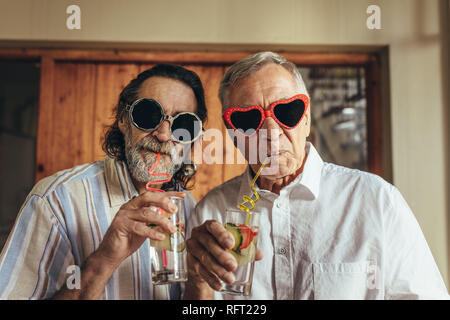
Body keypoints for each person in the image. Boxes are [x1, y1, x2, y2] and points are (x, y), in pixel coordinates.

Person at [184, 51, 449, 300]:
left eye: (286, 111)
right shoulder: (212, 214)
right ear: (233, 135)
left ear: (307, 118)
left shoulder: (376, 200)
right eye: (248, 119)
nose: (271, 130)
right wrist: (197, 283)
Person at [0, 64, 207, 300]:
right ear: (122, 118)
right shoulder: (56, 200)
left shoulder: (189, 208)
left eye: (183, 124)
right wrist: (104, 260)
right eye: (148, 114)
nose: (163, 134)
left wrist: (201, 282)